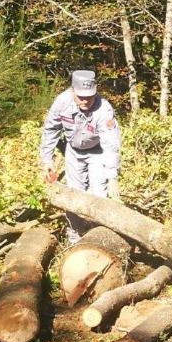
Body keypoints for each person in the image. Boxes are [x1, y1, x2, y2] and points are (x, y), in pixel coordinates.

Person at [39, 70, 121, 243]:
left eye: (89, 97)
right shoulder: (62, 102)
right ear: (73, 91)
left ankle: (99, 236)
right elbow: (50, 130)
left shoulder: (103, 109)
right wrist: (46, 160)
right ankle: (75, 237)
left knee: (99, 195)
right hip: (73, 152)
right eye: (81, 97)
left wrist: (112, 176)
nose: (85, 101)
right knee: (74, 195)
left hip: (97, 152)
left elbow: (110, 144)